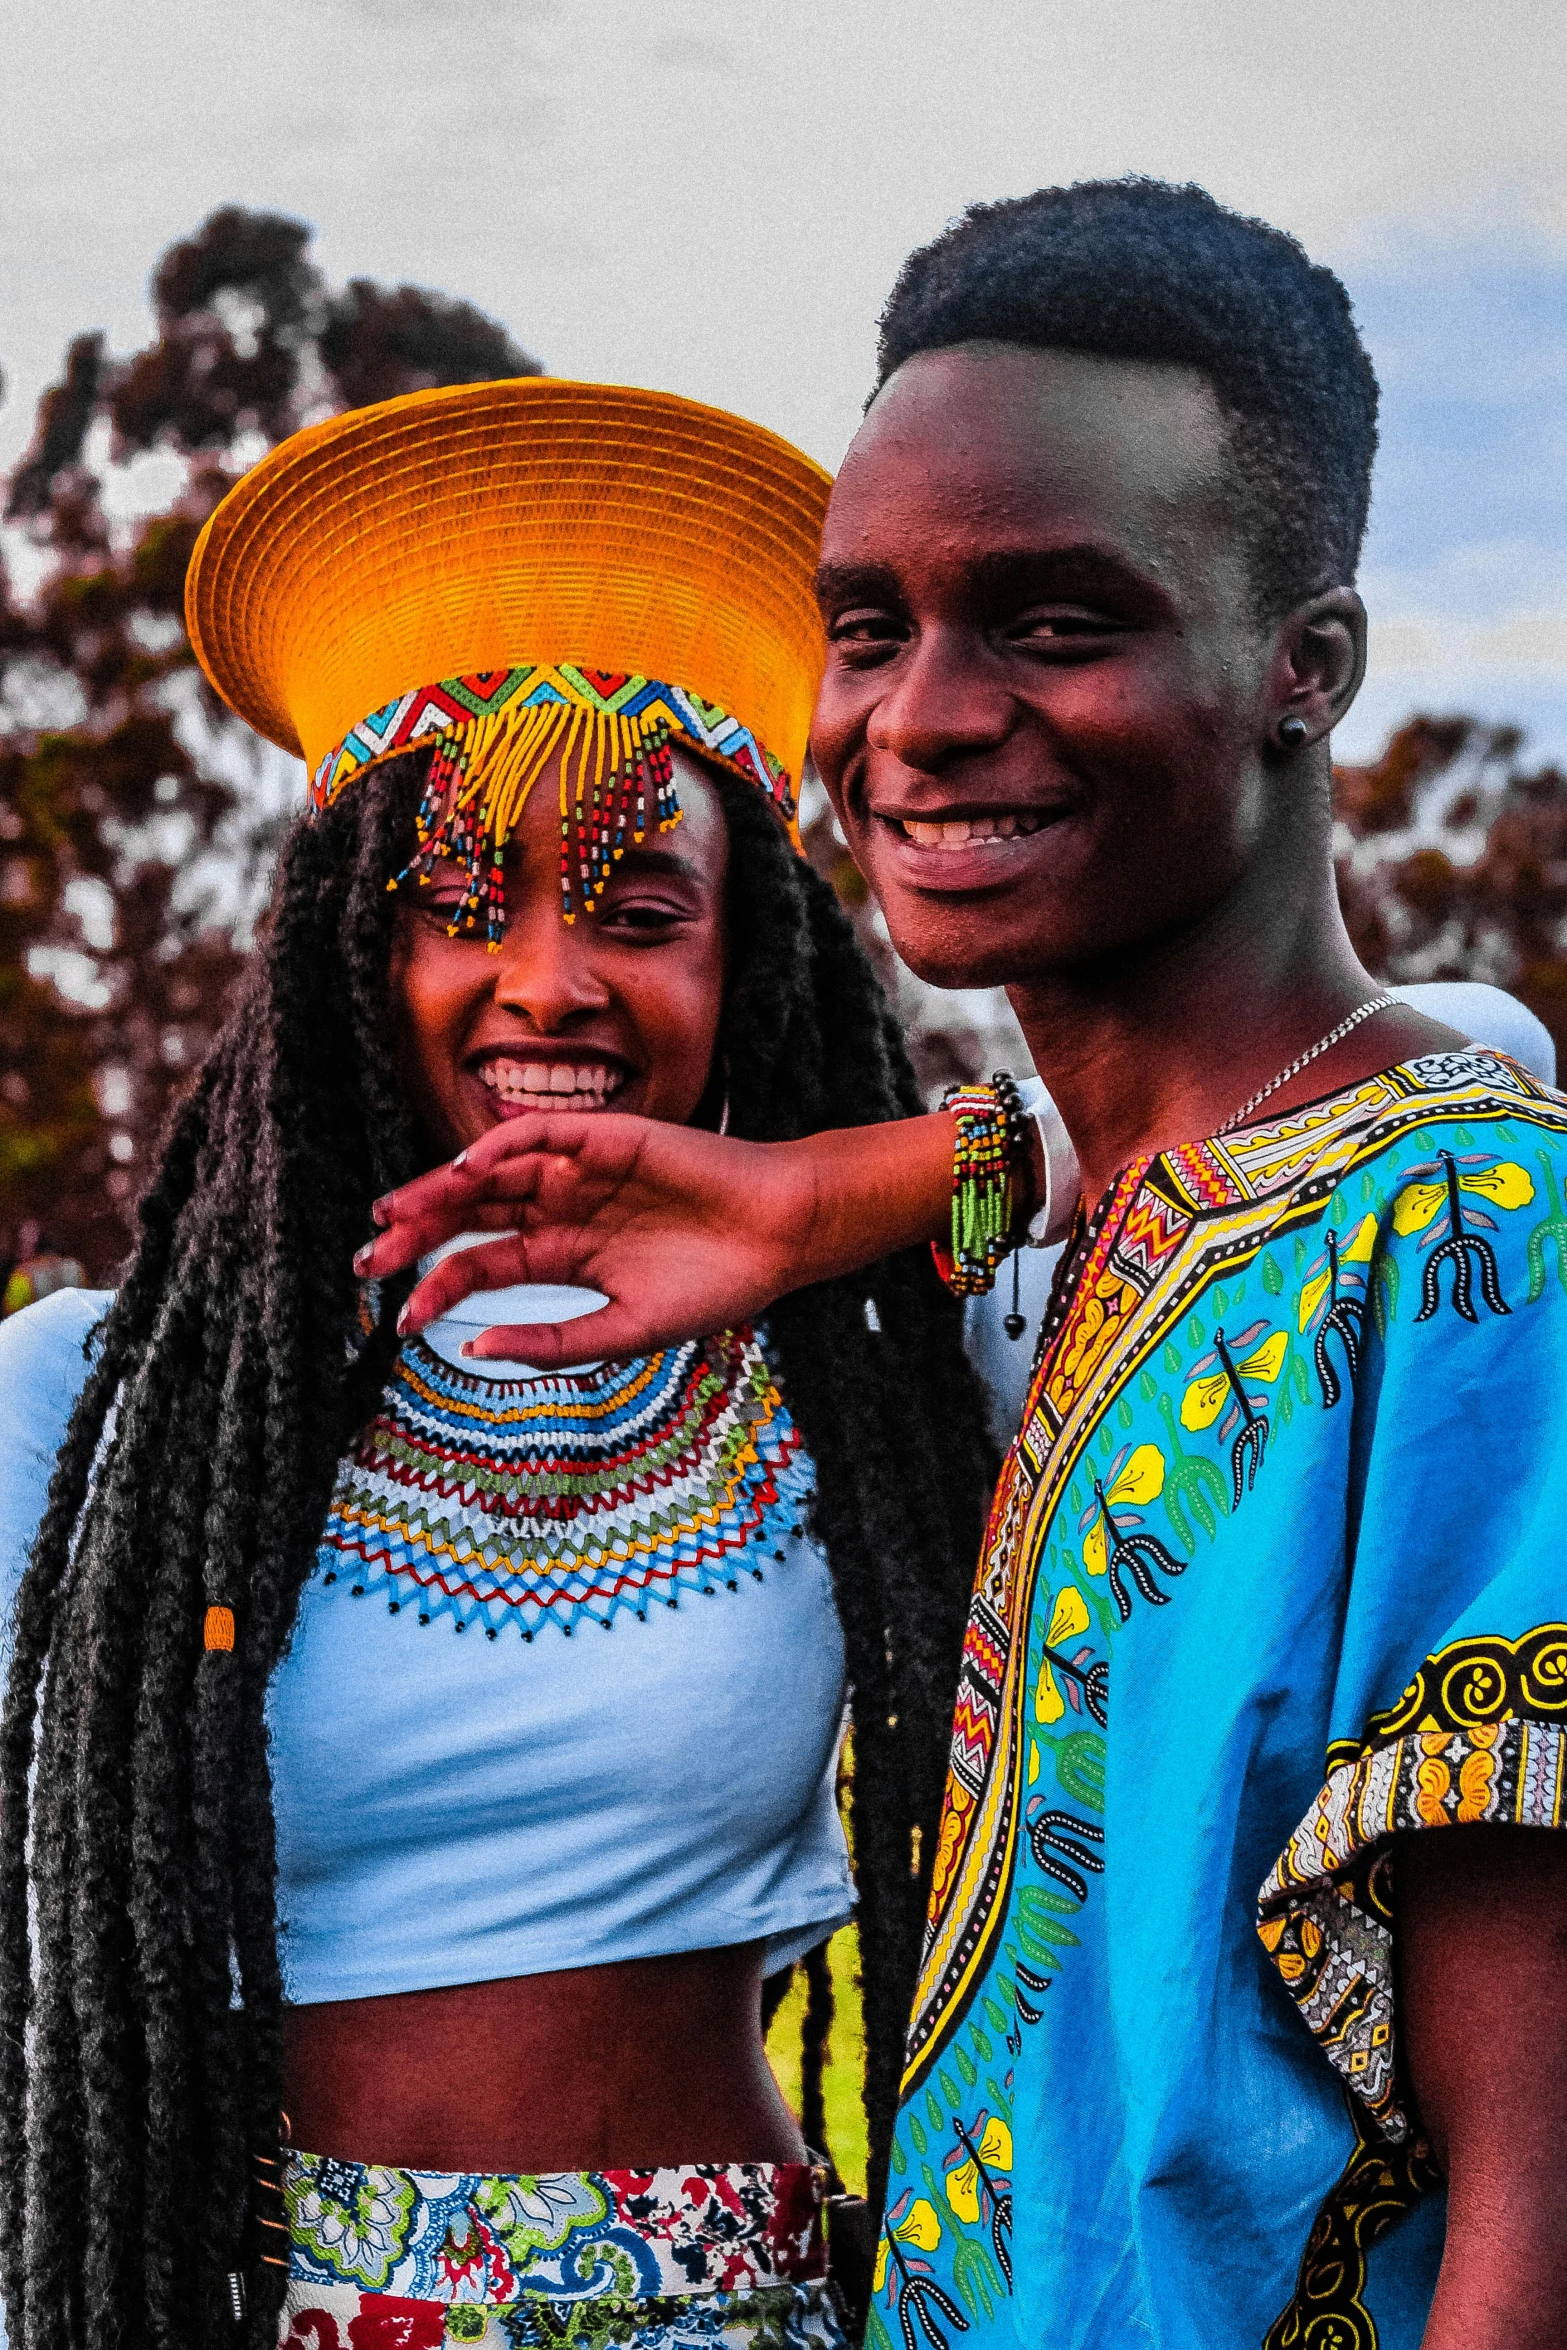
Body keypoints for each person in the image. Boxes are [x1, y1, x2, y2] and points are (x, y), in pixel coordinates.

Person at [366, 185, 1567, 2350]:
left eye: (1053, 620)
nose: (919, 714)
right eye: (869, 625)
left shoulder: (1470, 1240)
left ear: (1311, 663)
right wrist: (863, 1181)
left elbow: (1541, 2200)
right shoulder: (1072, 1242)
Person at [0, 380, 1003, 2350]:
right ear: (334, 958)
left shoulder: (892, 1356)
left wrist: (824, 1196)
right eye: (457, 912)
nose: (549, 978)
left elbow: (1412, 1092)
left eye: (641, 912)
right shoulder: (97, 1401)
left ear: (755, 968)